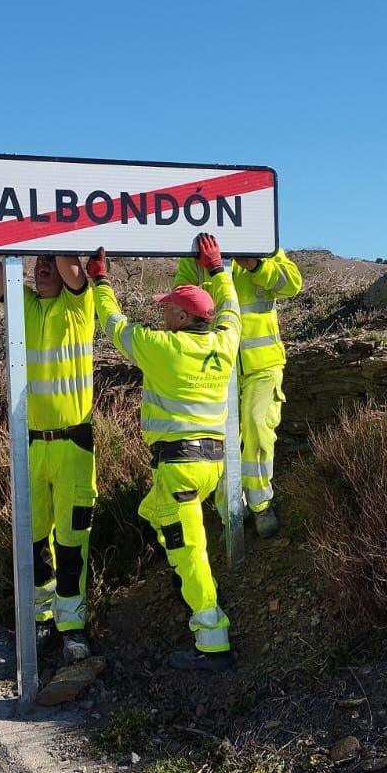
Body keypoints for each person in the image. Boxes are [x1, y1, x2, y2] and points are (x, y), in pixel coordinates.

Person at [88, 233, 240, 672]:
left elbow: (113, 324)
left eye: (166, 307)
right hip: (210, 465)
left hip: (180, 468)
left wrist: (101, 282)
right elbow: (229, 309)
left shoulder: (163, 348)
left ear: (180, 315)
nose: (161, 312)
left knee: (190, 550)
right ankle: (179, 571)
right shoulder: (223, 342)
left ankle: (211, 640)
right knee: (152, 511)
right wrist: (216, 268)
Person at [0, 253, 96, 664]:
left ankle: (72, 626)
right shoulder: (24, 305)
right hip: (31, 445)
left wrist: (53, 231)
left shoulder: (79, 306)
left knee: (71, 542)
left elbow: (74, 271)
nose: (42, 266)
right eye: (37, 261)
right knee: (32, 541)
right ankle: (42, 619)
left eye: (50, 261)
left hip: (74, 446)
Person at [175, 246, 303, 537]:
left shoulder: (261, 243)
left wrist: (257, 265)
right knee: (221, 438)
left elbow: (292, 283)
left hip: (263, 364)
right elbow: (180, 297)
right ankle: (231, 513)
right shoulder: (192, 254)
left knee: (258, 426)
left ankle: (261, 505)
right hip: (217, 367)